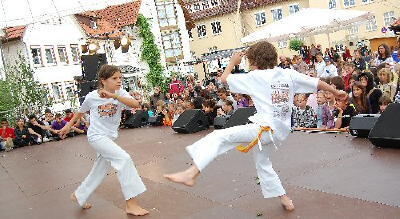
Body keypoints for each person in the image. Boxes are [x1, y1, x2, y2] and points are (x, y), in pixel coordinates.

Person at [163, 41, 346, 212]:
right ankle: (284, 199)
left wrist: (233, 62)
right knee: (263, 162)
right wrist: (336, 91)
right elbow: (316, 83)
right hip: (280, 131)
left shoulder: (254, 77)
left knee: (220, 136)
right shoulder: (287, 73)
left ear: (253, 60)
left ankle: (191, 173)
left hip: (265, 129)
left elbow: (225, 79)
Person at [59, 65, 148, 216]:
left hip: (110, 138)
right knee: (124, 160)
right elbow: (80, 113)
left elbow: (136, 104)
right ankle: (131, 204)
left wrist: (114, 96)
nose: (119, 81)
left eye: (120, 78)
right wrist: (68, 125)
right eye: (114, 78)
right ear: (103, 80)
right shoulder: (91, 97)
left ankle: (80, 194)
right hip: (96, 136)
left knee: (100, 170)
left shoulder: (121, 93)